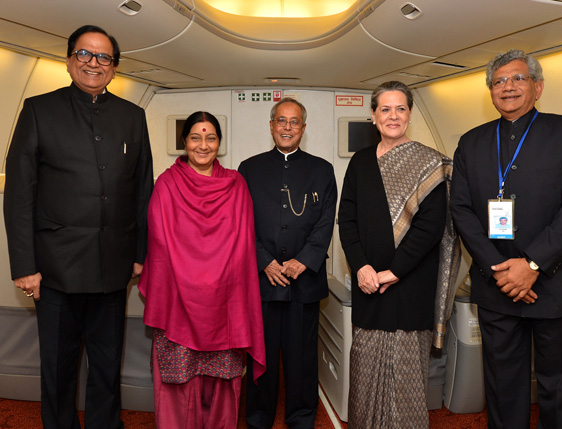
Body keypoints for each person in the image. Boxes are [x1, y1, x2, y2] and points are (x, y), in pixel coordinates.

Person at [3, 25, 154, 428]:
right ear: (69, 60)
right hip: (54, 269)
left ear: (114, 67)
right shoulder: (39, 110)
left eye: (103, 57)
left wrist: (140, 255)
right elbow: (19, 194)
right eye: (84, 54)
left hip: (112, 267)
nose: (93, 63)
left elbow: (143, 192)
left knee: (107, 367)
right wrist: (23, 265)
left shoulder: (133, 116)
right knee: (58, 368)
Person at [450, 49, 562, 429]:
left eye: (517, 78)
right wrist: (501, 270)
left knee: (560, 388)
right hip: (497, 285)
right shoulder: (471, 142)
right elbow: (461, 211)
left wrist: (531, 265)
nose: (508, 87)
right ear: (490, 91)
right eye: (498, 81)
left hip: (556, 284)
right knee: (502, 388)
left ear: (538, 87)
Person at [338, 80, 460, 428]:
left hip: (410, 288)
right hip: (368, 287)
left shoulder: (429, 164)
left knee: (406, 379)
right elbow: (347, 218)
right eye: (385, 109)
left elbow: (430, 229)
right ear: (373, 116)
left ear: (410, 114)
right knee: (365, 372)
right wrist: (361, 266)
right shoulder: (360, 162)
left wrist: (394, 272)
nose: (393, 116)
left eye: (401, 108)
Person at [137, 111, 266, 428]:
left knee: (220, 385)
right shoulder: (167, 184)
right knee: (179, 384)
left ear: (219, 143)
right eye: (196, 137)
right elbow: (161, 244)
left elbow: (244, 245)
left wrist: (216, 279)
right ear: (185, 142)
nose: (203, 145)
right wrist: (192, 279)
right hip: (178, 301)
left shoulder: (236, 185)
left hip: (224, 303)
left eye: (210, 138)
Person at [238, 98, 337, 428]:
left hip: (303, 282)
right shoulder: (248, 169)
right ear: (271, 125)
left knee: (302, 359)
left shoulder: (322, 170)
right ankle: (258, 417)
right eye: (281, 121)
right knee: (260, 357)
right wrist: (264, 261)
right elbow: (239, 222)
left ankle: (301, 417)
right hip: (262, 281)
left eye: (295, 122)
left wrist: (303, 261)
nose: (287, 127)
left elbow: (326, 221)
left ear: (303, 129)